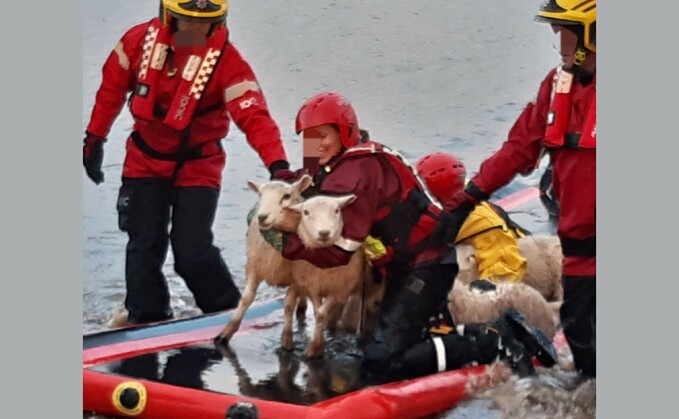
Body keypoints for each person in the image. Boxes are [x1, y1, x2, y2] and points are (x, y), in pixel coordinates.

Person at [279, 92, 556, 380]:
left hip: (425, 265)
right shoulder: (349, 162)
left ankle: (493, 340)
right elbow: (311, 186)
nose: (315, 145)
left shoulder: (358, 171)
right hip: (412, 264)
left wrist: (284, 243)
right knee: (383, 340)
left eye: (322, 135)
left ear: (345, 131)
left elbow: (338, 251)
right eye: (309, 138)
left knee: (380, 362)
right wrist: (279, 193)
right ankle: (468, 334)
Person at [82, 0, 296, 325]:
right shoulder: (136, 43)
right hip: (144, 161)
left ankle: (229, 313)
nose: (195, 31)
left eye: (204, 25)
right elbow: (110, 90)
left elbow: (254, 116)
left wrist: (278, 165)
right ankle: (145, 319)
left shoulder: (228, 62)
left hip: (198, 166)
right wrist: (94, 138)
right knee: (144, 246)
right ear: (169, 16)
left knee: (192, 251)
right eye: (187, 23)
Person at [432, 0, 596, 378]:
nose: (560, 43)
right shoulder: (557, 87)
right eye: (559, 32)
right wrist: (465, 200)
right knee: (582, 338)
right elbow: (518, 148)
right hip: (579, 251)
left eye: (568, 33)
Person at [415, 151, 530, 287]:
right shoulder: (448, 206)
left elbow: (504, 275)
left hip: (513, 269)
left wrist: (475, 294)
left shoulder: (484, 225)